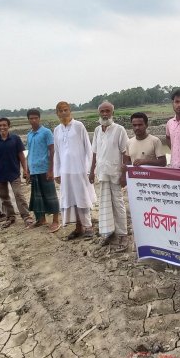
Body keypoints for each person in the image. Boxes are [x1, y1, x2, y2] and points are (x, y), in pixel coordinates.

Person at [53, 101, 96, 239]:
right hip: (65, 171)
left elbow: (88, 148)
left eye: (66, 110)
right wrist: (57, 172)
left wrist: (90, 169)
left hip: (79, 169)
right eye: (60, 111)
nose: (63, 113)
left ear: (70, 111)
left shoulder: (78, 126)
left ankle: (88, 226)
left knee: (82, 197)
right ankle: (78, 227)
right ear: (57, 113)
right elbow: (57, 152)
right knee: (71, 199)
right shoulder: (57, 130)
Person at [90, 102, 129, 249]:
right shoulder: (97, 131)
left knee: (118, 203)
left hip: (115, 173)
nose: (105, 114)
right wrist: (91, 171)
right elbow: (94, 153)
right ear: (99, 113)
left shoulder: (119, 130)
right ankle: (108, 232)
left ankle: (123, 234)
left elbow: (125, 153)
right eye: (102, 111)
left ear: (112, 112)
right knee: (105, 204)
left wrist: (124, 174)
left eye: (107, 111)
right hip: (102, 173)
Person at [0, 117, 33, 228]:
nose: (2, 127)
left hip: (14, 173)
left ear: (9, 126)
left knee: (19, 195)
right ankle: (10, 216)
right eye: (0, 125)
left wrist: (25, 170)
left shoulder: (15, 138)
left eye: (4, 125)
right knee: (4, 197)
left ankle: (26, 217)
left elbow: (21, 155)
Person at [26, 108, 60, 232]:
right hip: (34, 170)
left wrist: (51, 170)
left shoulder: (46, 132)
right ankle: (41, 219)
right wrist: (28, 170)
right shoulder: (29, 134)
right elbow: (29, 153)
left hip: (45, 169)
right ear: (28, 120)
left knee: (50, 196)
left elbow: (52, 151)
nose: (34, 120)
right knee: (37, 197)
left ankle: (56, 221)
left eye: (36, 118)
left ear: (39, 118)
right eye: (31, 118)